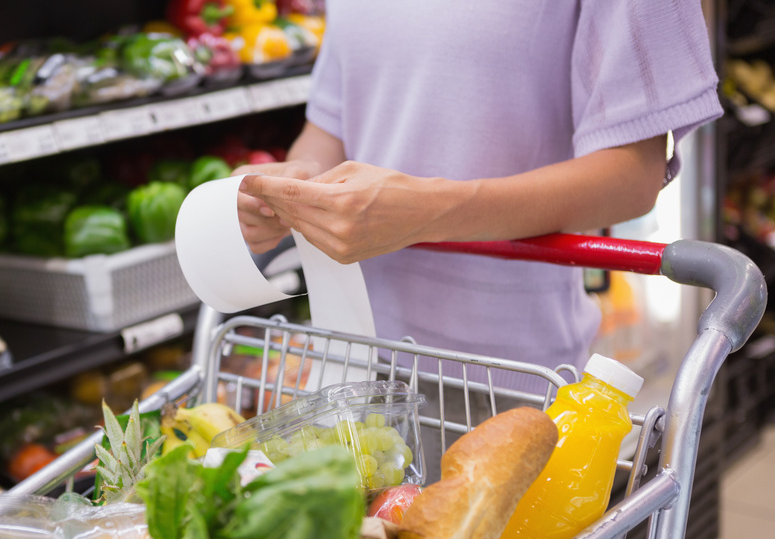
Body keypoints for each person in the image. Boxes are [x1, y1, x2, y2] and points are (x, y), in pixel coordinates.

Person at [234, 0, 723, 399]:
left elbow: (632, 175)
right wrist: (286, 190)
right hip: (350, 357)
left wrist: (430, 212)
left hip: (508, 375)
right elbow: (330, 131)